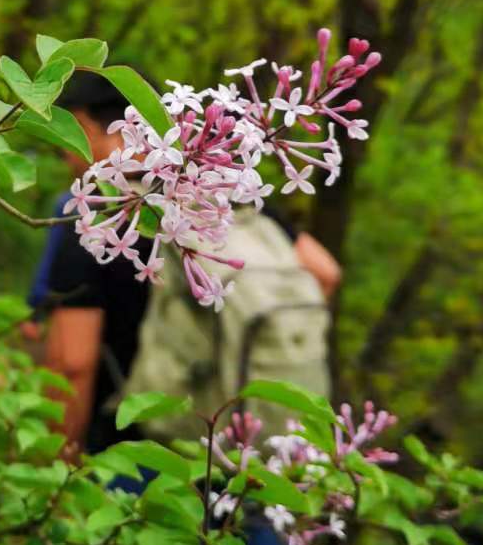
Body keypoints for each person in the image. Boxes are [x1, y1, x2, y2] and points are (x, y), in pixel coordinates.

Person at [35, 70, 341, 459]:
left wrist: (57, 465)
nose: (64, 153)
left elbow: (71, 363)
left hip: (138, 450)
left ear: (82, 124)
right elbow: (325, 273)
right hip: (243, 450)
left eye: (64, 138)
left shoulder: (94, 208)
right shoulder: (229, 193)